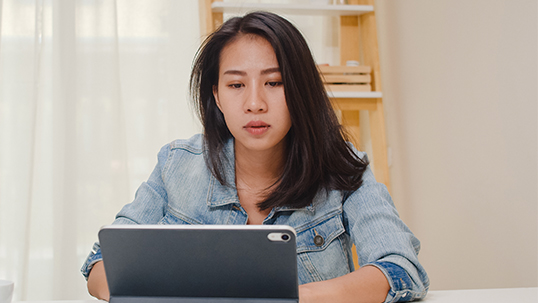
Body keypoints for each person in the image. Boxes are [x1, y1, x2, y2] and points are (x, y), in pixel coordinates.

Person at [81, 11, 429, 303]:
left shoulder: (342, 168)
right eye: (236, 85)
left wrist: (291, 297)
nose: (254, 103)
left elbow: (399, 268)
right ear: (216, 96)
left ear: (299, 89)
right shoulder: (177, 165)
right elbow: (101, 264)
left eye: (274, 83)